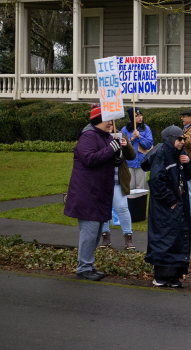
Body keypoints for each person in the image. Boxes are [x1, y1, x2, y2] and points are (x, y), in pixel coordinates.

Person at [64, 104, 135, 280]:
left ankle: (88, 265)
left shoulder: (104, 136)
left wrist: (117, 157)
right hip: (87, 193)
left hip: (99, 192)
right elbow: (89, 159)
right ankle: (84, 268)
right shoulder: (88, 137)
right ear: (98, 121)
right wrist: (111, 150)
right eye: (108, 119)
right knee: (89, 233)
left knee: (95, 233)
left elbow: (107, 158)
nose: (111, 123)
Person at [141, 125, 191, 287]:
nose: (182, 142)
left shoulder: (180, 154)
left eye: (184, 139)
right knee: (164, 238)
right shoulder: (161, 154)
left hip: (178, 204)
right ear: (171, 139)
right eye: (180, 139)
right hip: (165, 207)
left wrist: (189, 163)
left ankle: (174, 276)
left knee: (177, 237)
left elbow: (189, 175)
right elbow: (156, 181)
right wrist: (171, 201)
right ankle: (161, 276)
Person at [101, 114, 138, 251]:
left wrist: (126, 145)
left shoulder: (120, 135)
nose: (110, 124)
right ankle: (105, 238)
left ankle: (128, 238)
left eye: (111, 122)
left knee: (122, 208)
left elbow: (132, 156)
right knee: (104, 209)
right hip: (103, 180)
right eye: (107, 122)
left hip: (118, 180)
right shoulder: (97, 137)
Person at [121, 107, 153, 191]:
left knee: (140, 188)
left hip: (141, 163)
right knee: (130, 188)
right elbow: (122, 146)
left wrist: (139, 136)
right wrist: (132, 139)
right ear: (132, 118)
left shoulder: (146, 129)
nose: (140, 118)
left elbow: (149, 145)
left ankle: (140, 204)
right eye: (137, 116)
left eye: (141, 115)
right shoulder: (125, 129)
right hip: (129, 163)